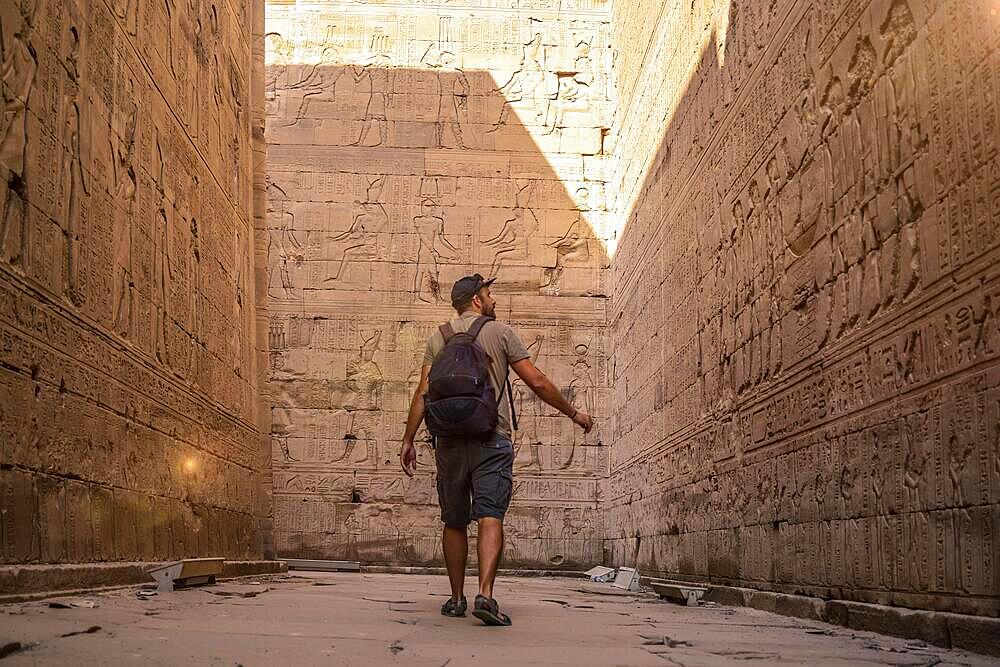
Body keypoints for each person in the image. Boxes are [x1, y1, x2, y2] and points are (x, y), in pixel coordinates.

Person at [399, 274, 594, 626]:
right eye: (489, 295)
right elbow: (536, 380)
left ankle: (456, 599)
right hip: (492, 437)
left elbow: (422, 392)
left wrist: (409, 439)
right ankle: (485, 595)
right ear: (476, 299)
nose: (493, 300)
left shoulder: (438, 336)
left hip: (449, 443)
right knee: (491, 514)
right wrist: (574, 413)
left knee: (454, 520)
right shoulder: (500, 332)